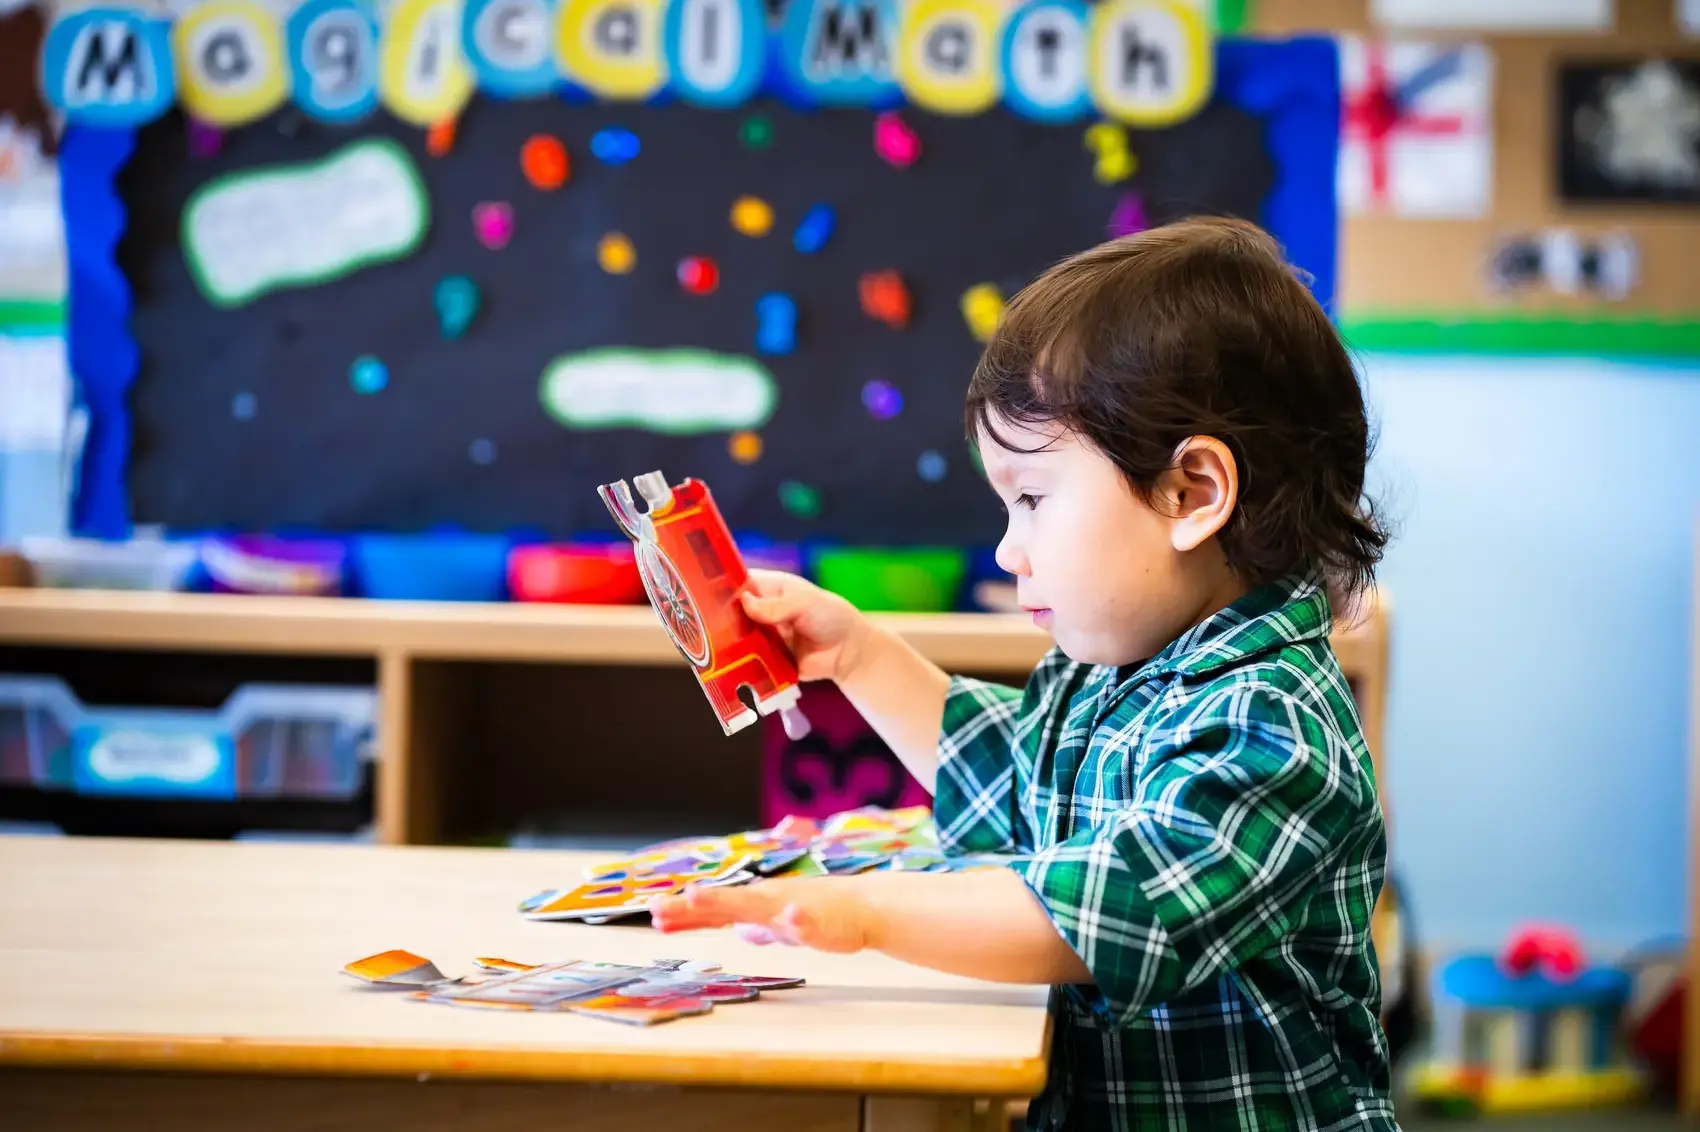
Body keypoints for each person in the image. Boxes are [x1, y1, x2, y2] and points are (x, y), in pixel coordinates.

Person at [650, 217, 1398, 1131]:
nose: (1009, 549)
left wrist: (867, 913)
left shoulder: (1273, 729)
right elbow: (1009, 781)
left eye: (1034, 500)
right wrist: (857, 654)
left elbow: (1092, 912)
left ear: (1191, 494)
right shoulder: (1120, 668)